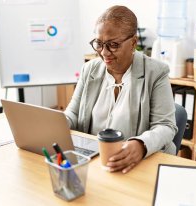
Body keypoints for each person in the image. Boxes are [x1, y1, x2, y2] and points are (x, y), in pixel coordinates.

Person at [64, 5, 177, 173]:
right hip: (95, 161)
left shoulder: (156, 72)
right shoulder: (90, 70)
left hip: (138, 165)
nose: (104, 53)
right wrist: (57, 125)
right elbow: (73, 113)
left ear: (133, 43)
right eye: (99, 44)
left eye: (113, 45)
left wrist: (141, 145)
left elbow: (166, 126)